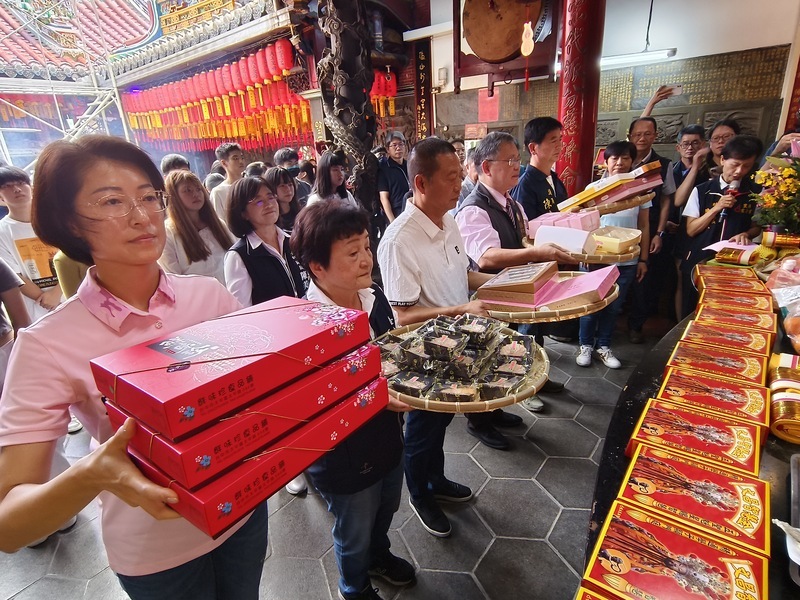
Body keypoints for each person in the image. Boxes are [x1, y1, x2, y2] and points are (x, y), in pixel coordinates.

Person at [0, 135, 268, 599]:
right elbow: (8, 523)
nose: (142, 216)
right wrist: (91, 474)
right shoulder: (46, 344)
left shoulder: (209, 298)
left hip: (242, 510)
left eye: (148, 196)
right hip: (158, 549)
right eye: (112, 201)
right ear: (70, 223)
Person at [291, 200, 414, 600]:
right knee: (354, 525)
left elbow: (388, 354)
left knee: (387, 506)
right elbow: (306, 407)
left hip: (386, 433)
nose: (366, 259)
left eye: (366, 246)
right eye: (352, 252)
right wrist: (373, 398)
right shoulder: (305, 326)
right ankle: (354, 586)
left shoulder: (372, 297)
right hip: (342, 453)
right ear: (317, 268)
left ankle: (379, 555)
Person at [378, 137, 495, 537]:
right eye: (451, 178)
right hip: (424, 355)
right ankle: (420, 493)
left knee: (442, 422)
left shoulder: (449, 219)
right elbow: (404, 315)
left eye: (461, 175)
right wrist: (462, 310)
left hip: (458, 344)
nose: (460, 185)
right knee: (423, 428)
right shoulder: (398, 240)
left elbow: (462, 275)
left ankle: (437, 481)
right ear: (421, 183)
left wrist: (506, 282)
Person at [455, 132, 577, 416]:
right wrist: (536, 254)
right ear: (486, 167)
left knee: (529, 339)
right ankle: (489, 415)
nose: (517, 167)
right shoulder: (473, 209)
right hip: (491, 293)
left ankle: (532, 381)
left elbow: (525, 239)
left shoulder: (512, 203)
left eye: (517, 160)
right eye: (509, 160)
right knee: (494, 354)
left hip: (518, 288)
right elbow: (486, 258)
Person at [577, 141, 651, 369]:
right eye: (614, 158)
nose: (619, 163)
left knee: (613, 307)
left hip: (627, 260)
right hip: (595, 259)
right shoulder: (593, 190)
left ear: (633, 161)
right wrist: (585, 255)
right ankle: (585, 346)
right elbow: (584, 226)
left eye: (625, 158)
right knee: (590, 305)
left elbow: (644, 226)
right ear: (606, 162)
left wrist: (643, 259)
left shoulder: (641, 191)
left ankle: (604, 346)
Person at [680, 135, 763, 317]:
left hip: (734, 262)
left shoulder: (755, 192)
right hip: (699, 258)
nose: (739, 171)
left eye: (746, 166)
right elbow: (691, 229)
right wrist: (716, 208)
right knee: (692, 308)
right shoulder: (702, 190)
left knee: (724, 311)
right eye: (735, 164)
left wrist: (747, 234)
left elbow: (758, 226)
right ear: (723, 159)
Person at [626, 117, 677, 342]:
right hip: (621, 229)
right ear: (629, 136)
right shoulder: (621, 160)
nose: (642, 138)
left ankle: (636, 326)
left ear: (655, 135)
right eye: (637, 134)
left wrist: (660, 232)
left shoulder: (663, 165)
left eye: (647, 134)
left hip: (648, 228)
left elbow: (667, 199)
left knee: (643, 280)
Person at [224, 176, 305, 307]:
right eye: (258, 202)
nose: (268, 204)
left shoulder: (292, 241)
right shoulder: (240, 256)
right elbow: (241, 310)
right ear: (243, 213)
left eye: (271, 197)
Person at [0, 166, 63, 322]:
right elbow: (14, 275)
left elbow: (73, 258)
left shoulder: (56, 221)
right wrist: (45, 299)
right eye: (6, 186)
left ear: (32, 188)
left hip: (71, 295)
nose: (16, 189)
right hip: (37, 309)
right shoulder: (2, 231)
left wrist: (57, 293)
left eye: (21, 183)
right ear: (0, 198)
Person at [160, 170, 233, 284]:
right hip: (197, 298)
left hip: (231, 293)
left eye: (198, 189)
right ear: (174, 196)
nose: (196, 194)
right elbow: (173, 279)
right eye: (187, 190)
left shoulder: (218, 224)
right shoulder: (168, 233)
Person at [510, 117, 568, 220]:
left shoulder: (556, 182)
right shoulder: (525, 186)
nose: (560, 146)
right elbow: (525, 228)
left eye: (560, 139)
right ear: (533, 148)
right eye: (553, 141)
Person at [377, 132, 410, 223]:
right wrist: (393, 221)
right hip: (397, 212)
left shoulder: (410, 165)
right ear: (388, 149)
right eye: (394, 145)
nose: (398, 148)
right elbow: (384, 198)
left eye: (401, 144)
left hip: (412, 209)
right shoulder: (384, 169)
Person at [210, 142, 246, 219]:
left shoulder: (250, 185)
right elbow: (221, 221)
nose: (241, 161)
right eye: (235, 158)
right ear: (224, 163)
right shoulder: (218, 192)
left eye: (242, 157)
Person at [265, 166, 302, 232]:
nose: (288, 189)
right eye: (282, 186)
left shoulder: (301, 214)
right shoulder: (270, 221)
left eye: (290, 184)